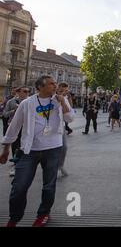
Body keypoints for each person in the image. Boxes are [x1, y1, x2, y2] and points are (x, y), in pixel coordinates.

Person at [0, 75, 74, 227]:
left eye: (55, 83)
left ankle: (43, 214)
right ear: (40, 87)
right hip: (29, 150)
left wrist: (63, 103)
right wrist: (6, 149)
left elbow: (70, 119)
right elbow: (14, 126)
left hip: (53, 148)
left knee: (49, 185)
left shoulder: (59, 100)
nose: (55, 86)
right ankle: (14, 218)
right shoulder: (27, 103)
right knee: (19, 186)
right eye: (52, 83)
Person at [3, 86, 30, 177]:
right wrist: (15, 111)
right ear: (18, 93)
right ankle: (16, 166)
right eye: (25, 91)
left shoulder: (31, 102)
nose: (27, 93)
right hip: (14, 127)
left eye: (28, 91)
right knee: (15, 146)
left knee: (23, 146)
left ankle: (21, 164)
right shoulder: (11, 102)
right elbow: (5, 114)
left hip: (26, 127)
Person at [56, 82, 73, 177]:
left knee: (64, 147)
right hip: (47, 127)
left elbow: (70, 113)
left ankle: (60, 165)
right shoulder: (52, 97)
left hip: (60, 125)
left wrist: (67, 99)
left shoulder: (65, 98)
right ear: (57, 88)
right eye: (62, 90)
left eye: (66, 90)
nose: (65, 92)